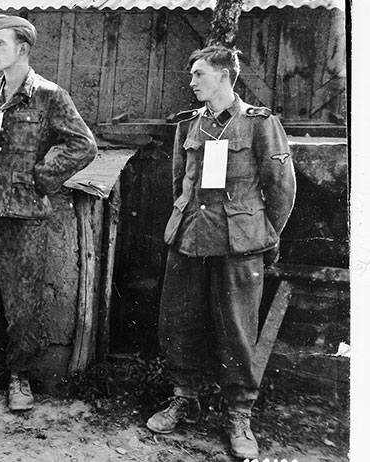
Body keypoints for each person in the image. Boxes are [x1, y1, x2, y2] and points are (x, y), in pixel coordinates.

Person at [146, 45, 296, 459]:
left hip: (239, 241)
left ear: (225, 75)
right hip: (190, 236)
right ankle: (183, 396)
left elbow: (281, 188)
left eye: (199, 74)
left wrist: (264, 235)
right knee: (179, 320)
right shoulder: (189, 125)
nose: (192, 82)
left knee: (237, 329)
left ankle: (239, 413)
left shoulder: (260, 124)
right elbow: (181, 181)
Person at [0, 14, 97, 412]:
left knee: (22, 301)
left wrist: (43, 176)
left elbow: (84, 145)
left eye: (0, 43)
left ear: (23, 49)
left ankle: (19, 376)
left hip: (24, 214)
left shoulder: (50, 96)